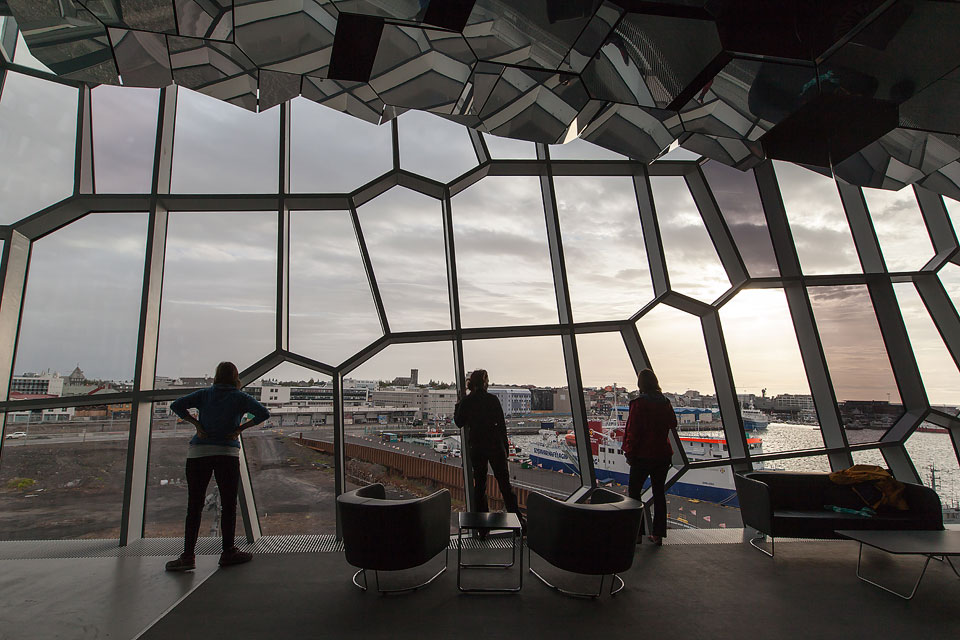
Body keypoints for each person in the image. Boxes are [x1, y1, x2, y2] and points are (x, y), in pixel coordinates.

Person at [165, 362, 270, 571]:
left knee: (194, 506)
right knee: (229, 504)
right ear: (235, 377)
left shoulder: (204, 394)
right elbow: (263, 414)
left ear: (216, 376)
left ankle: (187, 556)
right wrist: (240, 428)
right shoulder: (240, 397)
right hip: (227, 452)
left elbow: (176, 405)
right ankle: (228, 551)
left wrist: (197, 425)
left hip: (199, 453)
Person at [454, 369, 524, 536]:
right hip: (494, 446)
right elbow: (501, 425)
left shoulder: (468, 401)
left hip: (477, 447)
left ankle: (482, 527)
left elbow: (458, 422)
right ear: (485, 383)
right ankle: (518, 523)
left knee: (480, 486)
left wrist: (458, 403)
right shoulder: (492, 400)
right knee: (505, 486)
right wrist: (505, 448)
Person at [622, 368, 676, 546]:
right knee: (659, 493)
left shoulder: (639, 404)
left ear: (641, 384)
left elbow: (632, 431)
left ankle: (636, 533)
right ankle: (658, 534)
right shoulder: (665, 402)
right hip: (662, 454)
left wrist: (629, 453)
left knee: (634, 494)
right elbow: (673, 423)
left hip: (642, 455)